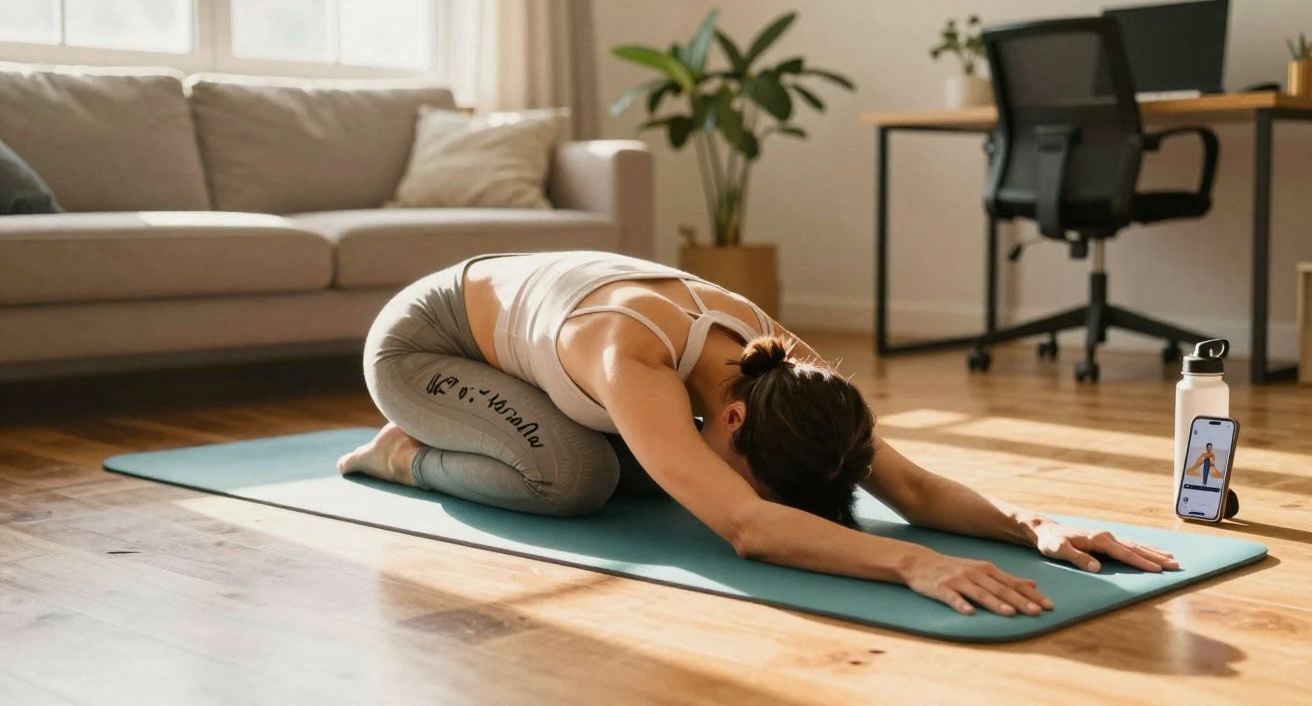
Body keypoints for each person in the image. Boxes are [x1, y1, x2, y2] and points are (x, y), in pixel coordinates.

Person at [339, 251, 1179, 617]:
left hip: (541, 366)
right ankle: (403, 452)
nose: (750, 487)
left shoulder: (788, 370)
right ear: (733, 418)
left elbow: (911, 487)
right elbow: (746, 527)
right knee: (576, 480)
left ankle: (468, 434)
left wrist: (1030, 525)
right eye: (753, 465)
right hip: (426, 344)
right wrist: (914, 563)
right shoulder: (632, 352)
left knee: (663, 472)